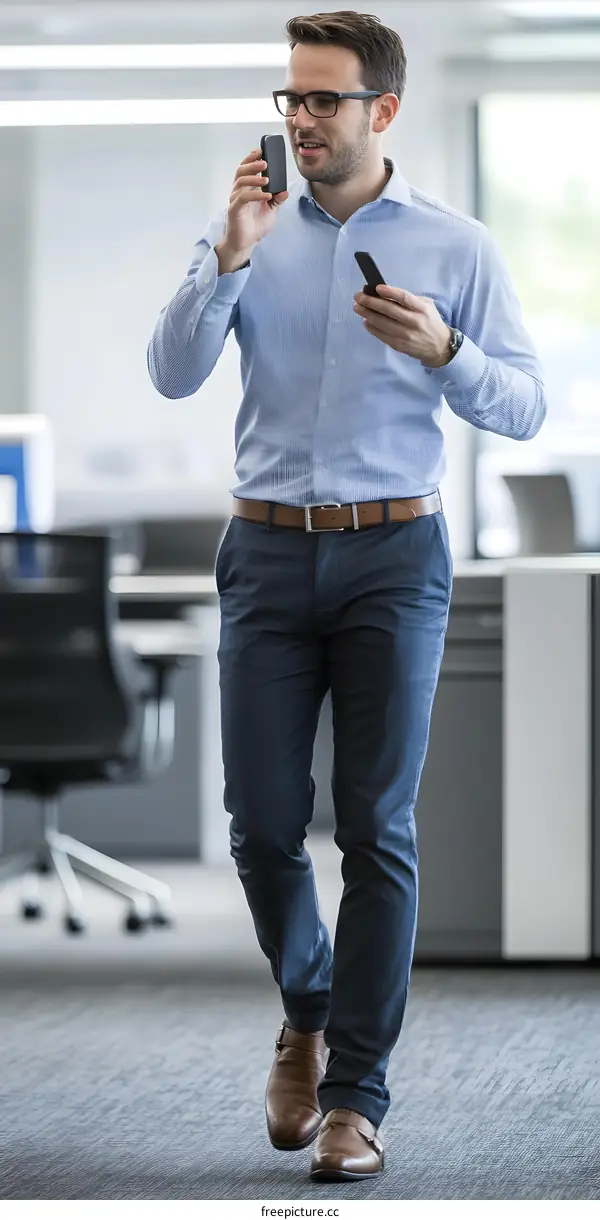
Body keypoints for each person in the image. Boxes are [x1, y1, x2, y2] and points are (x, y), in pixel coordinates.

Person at [148, 9, 546, 1183]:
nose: (302, 120)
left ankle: (354, 1095)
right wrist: (226, 250)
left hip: (394, 554)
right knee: (263, 823)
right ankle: (307, 1009)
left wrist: (445, 351)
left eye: (324, 99)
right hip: (266, 553)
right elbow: (172, 373)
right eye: (291, 99)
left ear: (383, 110)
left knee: (378, 826)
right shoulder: (247, 226)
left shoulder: (456, 244)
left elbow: (522, 404)